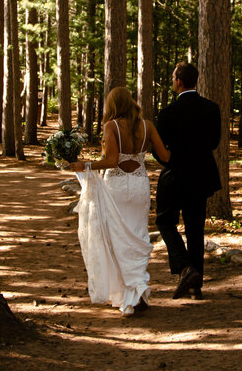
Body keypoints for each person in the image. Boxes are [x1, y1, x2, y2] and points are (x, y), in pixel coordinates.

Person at [66, 87, 170, 317]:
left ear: (113, 105)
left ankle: (129, 294)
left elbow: (112, 161)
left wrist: (86, 165)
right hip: (140, 186)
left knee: (118, 239)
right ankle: (137, 291)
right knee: (138, 236)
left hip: (117, 188)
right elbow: (165, 156)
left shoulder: (111, 126)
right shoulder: (148, 126)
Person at [154, 62, 221, 299]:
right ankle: (196, 286)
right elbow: (214, 143)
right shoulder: (212, 109)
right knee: (195, 229)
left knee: (164, 221)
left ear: (179, 81)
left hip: (175, 175)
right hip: (202, 175)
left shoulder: (168, 113)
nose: (173, 81)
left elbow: (158, 149)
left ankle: (185, 267)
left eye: (173, 78)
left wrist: (171, 161)